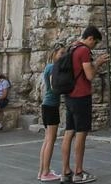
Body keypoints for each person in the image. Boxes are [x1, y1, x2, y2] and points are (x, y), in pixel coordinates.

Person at [60, 27, 110, 184]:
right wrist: (98, 63)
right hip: (81, 96)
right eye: (94, 43)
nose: (93, 46)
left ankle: (65, 171)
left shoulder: (71, 47)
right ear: (90, 38)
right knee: (81, 134)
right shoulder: (83, 51)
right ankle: (79, 172)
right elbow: (89, 75)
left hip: (69, 95)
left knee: (69, 133)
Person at [38, 42, 66, 182]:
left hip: (46, 105)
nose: (63, 56)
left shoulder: (48, 67)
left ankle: (42, 171)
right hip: (51, 105)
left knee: (47, 139)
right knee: (50, 139)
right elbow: (55, 87)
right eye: (61, 53)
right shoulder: (53, 68)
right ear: (54, 54)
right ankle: (46, 172)